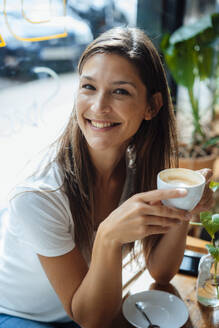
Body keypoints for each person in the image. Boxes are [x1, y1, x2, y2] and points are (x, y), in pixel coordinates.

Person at [0, 27, 213, 328]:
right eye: (88, 87)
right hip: (20, 316)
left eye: (120, 91)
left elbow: (162, 273)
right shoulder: (39, 196)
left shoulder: (137, 167)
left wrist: (185, 204)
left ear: (151, 106)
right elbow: (90, 319)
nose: (98, 107)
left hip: (88, 305)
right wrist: (109, 236)